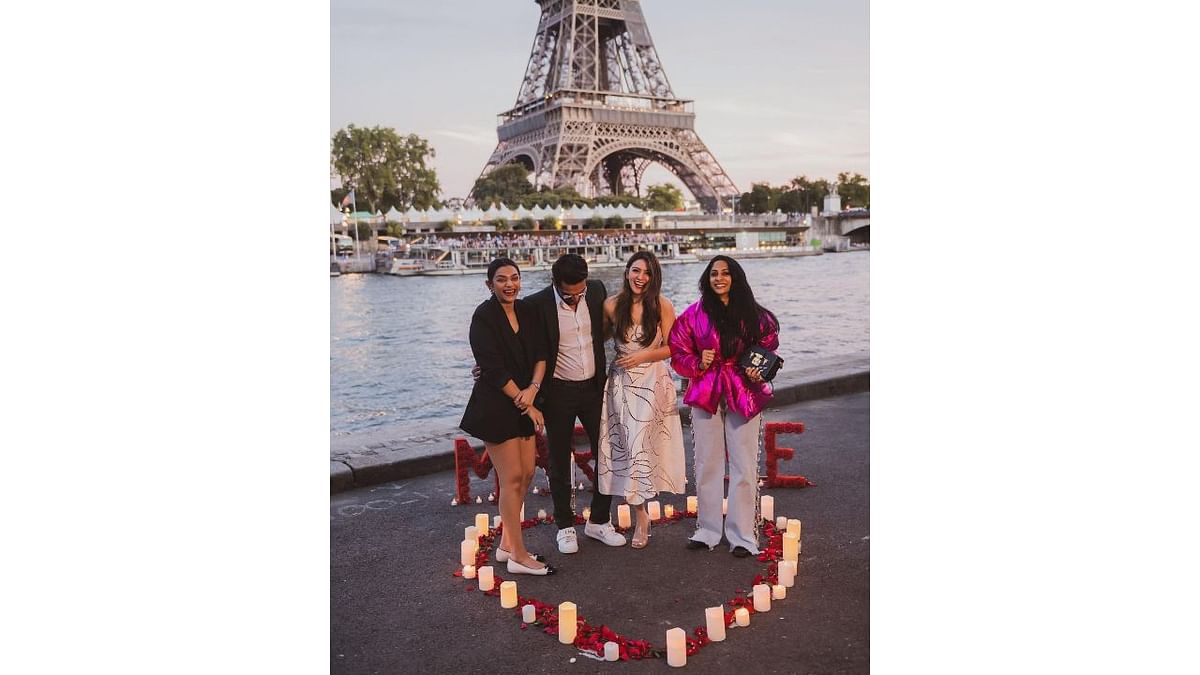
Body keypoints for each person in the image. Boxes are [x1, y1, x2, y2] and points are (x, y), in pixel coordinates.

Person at [668, 255, 780, 558]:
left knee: (744, 466)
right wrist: (696, 362)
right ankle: (707, 530)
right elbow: (677, 352)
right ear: (707, 278)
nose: (719, 278)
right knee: (707, 463)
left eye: (726, 273)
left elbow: (768, 346)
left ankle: (743, 536)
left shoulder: (755, 315)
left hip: (743, 390)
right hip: (706, 391)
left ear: (736, 278)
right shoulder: (693, 315)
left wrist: (760, 371)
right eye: (714, 273)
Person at [527, 254, 627, 554]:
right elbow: (521, 344)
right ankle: (565, 526)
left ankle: (598, 520)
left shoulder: (596, 290)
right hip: (557, 392)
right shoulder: (536, 304)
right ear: (554, 283)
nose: (576, 298)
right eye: (569, 294)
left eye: (580, 292)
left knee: (606, 454)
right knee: (559, 460)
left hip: (594, 389)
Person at [459, 258, 554, 576]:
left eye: (514, 278)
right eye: (501, 280)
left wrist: (533, 390)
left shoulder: (527, 311)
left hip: (526, 397)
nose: (509, 284)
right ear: (490, 285)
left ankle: (505, 545)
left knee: (526, 473)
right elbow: (492, 367)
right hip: (496, 405)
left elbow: (543, 353)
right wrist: (525, 401)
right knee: (512, 478)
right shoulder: (483, 317)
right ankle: (519, 554)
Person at [597, 251, 687, 549]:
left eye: (647, 273)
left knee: (643, 446)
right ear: (627, 272)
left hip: (653, 382)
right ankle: (640, 513)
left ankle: (642, 515)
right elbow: (593, 342)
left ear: (653, 277)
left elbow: (673, 349)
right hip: (621, 385)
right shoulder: (611, 305)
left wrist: (643, 355)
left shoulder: (662, 305)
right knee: (628, 447)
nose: (640, 277)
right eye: (636, 271)